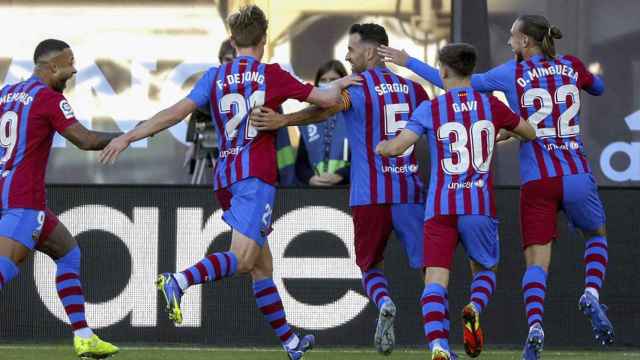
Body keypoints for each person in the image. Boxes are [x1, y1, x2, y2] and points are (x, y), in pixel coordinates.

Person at [98, 5, 356, 360]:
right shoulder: (272, 74)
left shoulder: (214, 77)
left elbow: (174, 113)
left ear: (232, 41)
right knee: (243, 257)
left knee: (261, 265)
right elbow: (327, 99)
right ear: (264, 41)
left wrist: (128, 136)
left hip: (225, 177)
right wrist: (343, 83)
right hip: (255, 177)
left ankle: (292, 344)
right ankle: (179, 281)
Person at [378, 14, 613, 360]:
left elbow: (456, 89)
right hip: (571, 173)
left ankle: (524, 327)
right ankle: (591, 292)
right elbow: (598, 88)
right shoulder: (568, 67)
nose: (508, 43)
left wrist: (409, 63)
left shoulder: (504, 77)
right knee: (595, 236)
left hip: (519, 184)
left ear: (525, 42)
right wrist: (509, 129)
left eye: (513, 37)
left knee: (528, 261)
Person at [251, 23, 427, 355]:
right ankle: (440, 343)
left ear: (372, 51)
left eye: (352, 48)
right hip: (409, 191)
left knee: (369, 266)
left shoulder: (357, 88)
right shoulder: (415, 91)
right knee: (430, 270)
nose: (346, 55)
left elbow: (322, 111)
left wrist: (283, 122)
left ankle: (384, 300)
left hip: (369, 194)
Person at [376, 42, 536, 360]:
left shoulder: (431, 109)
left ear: (444, 70)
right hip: (478, 205)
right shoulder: (492, 106)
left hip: (440, 207)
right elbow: (530, 132)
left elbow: (398, 147)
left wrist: (382, 146)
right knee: (486, 270)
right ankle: (474, 307)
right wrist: (502, 133)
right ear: (471, 69)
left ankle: (438, 345)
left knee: (435, 279)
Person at [0, 39, 120, 358]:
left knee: (68, 252)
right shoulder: (49, 99)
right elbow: (85, 139)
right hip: (23, 200)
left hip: (9, 194)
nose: (74, 69)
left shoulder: (6, 94)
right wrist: (129, 135)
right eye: (69, 63)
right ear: (52, 66)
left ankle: (83, 336)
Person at [296, 60, 351, 186]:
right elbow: (300, 165)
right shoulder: (308, 118)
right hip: (316, 192)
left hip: (347, 190)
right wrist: (310, 178)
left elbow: (364, 159)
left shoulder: (354, 115)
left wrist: (341, 175)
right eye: (324, 80)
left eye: (333, 79)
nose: (328, 84)